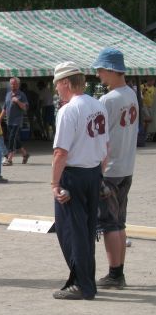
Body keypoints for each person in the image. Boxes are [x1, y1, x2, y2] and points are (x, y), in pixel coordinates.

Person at [51, 61, 108, 300]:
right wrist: (99, 175)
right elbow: (106, 147)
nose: (56, 90)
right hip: (93, 172)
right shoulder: (99, 106)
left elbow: (61, 152)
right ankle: (87, 280)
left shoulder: (68, 110)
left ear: (65, 83)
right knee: (86, 231)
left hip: (73, 176)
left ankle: (81, 284)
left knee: (70, 231)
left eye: (57, 85)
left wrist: (54, 184)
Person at [92, 48, 139, 289]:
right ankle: (118, 271)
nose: (98, 74)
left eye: (100, 70)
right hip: (127, 166)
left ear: (111, 69)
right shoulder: (131, 94)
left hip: (109, 169)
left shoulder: (107, 100)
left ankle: (114, 274)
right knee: (120, 222)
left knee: (110, 223)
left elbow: (100, 138)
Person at [0, 77, 30, 166]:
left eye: (15, 84)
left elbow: (25, 108)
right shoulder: (8, 94)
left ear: (18, 84)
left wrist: (18, 101)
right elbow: (4, 108)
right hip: (9, 120)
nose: (13, 85)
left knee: (12, 139)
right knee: (15, 140)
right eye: (12, 84)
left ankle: (9, 159)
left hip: (17, 121)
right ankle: (25, 154)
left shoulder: (22, 95)